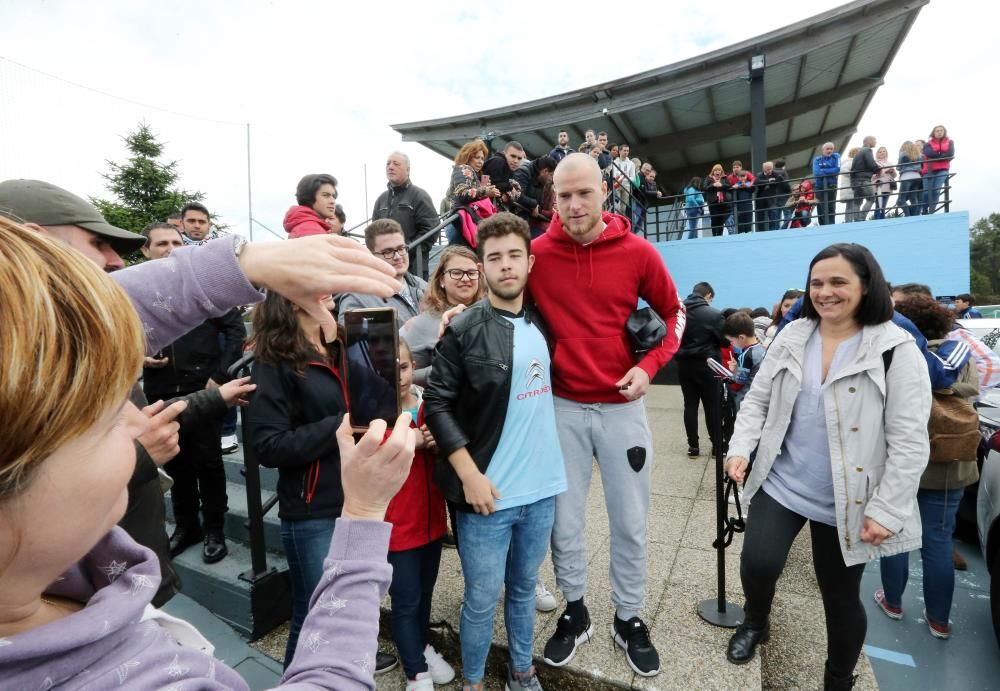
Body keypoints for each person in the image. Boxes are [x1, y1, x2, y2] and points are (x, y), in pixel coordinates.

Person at [0, 214, 418, 690]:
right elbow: (269, 443)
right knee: (308, 605)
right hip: (316, 503)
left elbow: (71, 335)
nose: (140, 419)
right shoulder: (131, 679)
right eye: (107, 414)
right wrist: (363, 512)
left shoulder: (57, 569)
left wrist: (247, 262)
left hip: (336, 493)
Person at [723, 243, 932, 689]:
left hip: (849, 497)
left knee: (839, 597)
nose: (825, 292)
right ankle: (755, 622)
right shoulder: (794, 335)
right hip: (782, 481)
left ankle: (838, 677)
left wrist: (887, 509)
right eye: (817, 283)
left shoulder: (896, 351)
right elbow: (758, 399)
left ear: (866, 285)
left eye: (838, 282)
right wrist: (741, 448)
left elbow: (910, 441)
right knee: (758, 564)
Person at [534, 154, 685, 677]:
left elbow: (673, 313)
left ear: (604, 193)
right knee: (564, 522)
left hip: (624, 407)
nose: (574, 206)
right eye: (564, 195)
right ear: (553, 196)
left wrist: (649, 367)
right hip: (561, 406)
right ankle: (575, 610)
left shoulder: (639, 251)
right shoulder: (536, 254)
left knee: (631, 520)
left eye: (584, 194)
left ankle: (628, 616)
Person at [424, 212, 568, 691]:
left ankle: (522, 671)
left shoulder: (544, 318)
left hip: (542, 489)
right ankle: (474, 681)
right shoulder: (464, 329)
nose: (506, 266)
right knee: (481, 599)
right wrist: (468, 476)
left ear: (529, 262)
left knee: (525, 590)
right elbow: (436, 404)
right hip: (487, 493)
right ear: (483, 268)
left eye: (514, 256)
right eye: (494, 258)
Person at [874, 294, 979, 640]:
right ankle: (939, 621)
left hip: (901, 461)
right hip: (948, 462)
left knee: (895, 535)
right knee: (938, 539)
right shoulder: (958, 353)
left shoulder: (894, 350)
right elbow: (974, 391)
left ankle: (892, 602)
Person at [142, 232, 246, 564]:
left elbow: (235, 329)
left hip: (201, 389)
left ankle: (214, 529)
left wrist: (221, 374)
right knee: (176, 464)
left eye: (176, 243)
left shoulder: (199, 288)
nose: (171, 249)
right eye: (162, 244)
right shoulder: (137, 291)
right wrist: (139, 357)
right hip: (159, 393)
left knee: (209, 463)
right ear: (146, 251)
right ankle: (187, 527)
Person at [384, 338, 454, 689]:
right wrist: (418, 441)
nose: (398, 376)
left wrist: (439, 442)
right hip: (399, 526)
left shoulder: (428, 403)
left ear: (414, 368)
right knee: (406, 599)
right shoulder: (374, 411)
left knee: (425, 593)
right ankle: (415, 670)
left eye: (404, 367)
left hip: (432, 522)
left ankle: (422, 645)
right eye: (390, 368)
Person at [402, 245, 485, 386]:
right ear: (441, 280)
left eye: (471, 272)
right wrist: (447, 369)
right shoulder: (424, 322)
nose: (465, 279)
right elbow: (404, 375)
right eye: (456, 273)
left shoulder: (489, 311)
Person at [337, 218, 428, 330]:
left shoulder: (423, 285)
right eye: (388, 252)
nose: (398, 256)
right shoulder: (356, 298)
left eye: (401, 248)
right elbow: (353, 344)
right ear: (371, 255)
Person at [675, 282, 727, 457]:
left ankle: (693, 447)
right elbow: (724, 341)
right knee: (712, 406)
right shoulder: (714, 315)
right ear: (708, 296)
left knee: (690, 405)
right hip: (708, 365)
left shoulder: (678, 313)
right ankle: (716, 447)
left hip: (684, 365)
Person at [372, 151, 441, 279]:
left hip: (414, 269)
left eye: (396, 164)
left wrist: (404, 250)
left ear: (408, 170)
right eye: (388, 164)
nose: (390, 167)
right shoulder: (381, 199)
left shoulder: (419, 196)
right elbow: (373, 232)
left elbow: (431, 230)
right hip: (385, 269)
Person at [445, 139, 501, 247]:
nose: (481, 161)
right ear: (468, 156)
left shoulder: (469, 172)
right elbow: (462, 193)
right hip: (460, 222)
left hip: (464, 221)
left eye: (482, 158)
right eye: (477, 157)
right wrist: (485, 191)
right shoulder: (463, 169)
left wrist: (483, 188)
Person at [722, 312, 766, 413]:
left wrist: (728, 378)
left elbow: (737, 384)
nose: (732, 344)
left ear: (741, 337)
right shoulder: (762, 349)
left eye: (731, 341)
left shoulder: (746, 356)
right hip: (759, 399)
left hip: (745, 402)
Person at [513, 155, 557, 237]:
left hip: (525, 221)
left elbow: (540, 205)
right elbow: (517, 196)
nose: (552, 179)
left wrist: (537, 206)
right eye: (551, 175)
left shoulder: (541, 180)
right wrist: (533, 204)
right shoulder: (523, 171)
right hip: (512, 217)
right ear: (545, 171)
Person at [283, 173, 338, 238]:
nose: (332, 201)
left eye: (334, 196)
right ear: (309, 197)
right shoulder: (311, 230)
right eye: (325, 195)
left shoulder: (307, 227)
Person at [481, 141, 525, 213]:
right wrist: (510, 187)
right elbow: (492, 185)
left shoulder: (508, 167)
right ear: (504, 153)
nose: (516, 161)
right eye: (513, 156)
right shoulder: (499, 161)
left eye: (519, 158)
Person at [922, 125, 954, 214]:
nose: (939, 132)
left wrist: (937, 155)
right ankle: (924, 209)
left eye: (941, 130)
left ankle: (931, 212)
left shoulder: (950, 142)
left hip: (943, 169)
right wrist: (943, 155)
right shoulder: (927, 144)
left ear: (944, 132)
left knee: (936, 191)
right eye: (937, 131)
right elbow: (929, 153)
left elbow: (951, 153)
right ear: (933, 133)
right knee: (926, 192)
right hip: (928, 170)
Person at [849, 136, 879, 222]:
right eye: (874, 140)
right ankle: (862, 218)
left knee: (857, 202)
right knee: (871, 198)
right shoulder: (867, 150)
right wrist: (878, 169)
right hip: (864, 179)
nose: (876, 142)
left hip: (855, 181)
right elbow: (871, 164)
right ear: (869, 141)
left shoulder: (859, 152)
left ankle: (856, 220)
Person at [812, 142, 841, 226]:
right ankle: (823, 226)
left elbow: (837, 169)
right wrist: (831, 171)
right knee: (821, 207)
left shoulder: (836, 156)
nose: (829, 151)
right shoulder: (817, 159)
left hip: (832, 186)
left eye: (831, 149)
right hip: (820, 187)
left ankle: (832, 225)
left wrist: (823, 170)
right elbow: (816, 173)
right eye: (827, 149)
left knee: (831, 207)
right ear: (823, 150)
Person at [753, 161, 787, 231]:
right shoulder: (759, 175)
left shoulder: (775, 174)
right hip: (760, 200)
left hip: (771, 200)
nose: (770, 171)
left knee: (773, 217)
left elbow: (781, 180)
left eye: (770, 169)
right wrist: (768, 181)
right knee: (760, 218)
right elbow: (756, 182)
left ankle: (772, 232)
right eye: (768, 169)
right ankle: (761, 233)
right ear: (763, 169)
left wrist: (774, 181)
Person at [702, 164, 732, 237]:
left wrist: (721, 185)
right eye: (715, 170)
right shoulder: (709, 178)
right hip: (713, 203)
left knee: (721, 220)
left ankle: (719, 235)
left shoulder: (725, 178)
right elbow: (705, 187)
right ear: (713, 172)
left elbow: (729, 186)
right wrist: (713, 185)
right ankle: (714, 235)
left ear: (721, 171)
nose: (717, 172)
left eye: (719, 170)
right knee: (714, 219)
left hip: (723, 202)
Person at [896, 141, 924, 217]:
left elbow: (898, 167)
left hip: (907, 176)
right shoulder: (919, 154)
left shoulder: (903, 153)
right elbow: (921, 166)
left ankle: (908, 215)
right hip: (917, 177)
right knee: (914, 198)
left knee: (901, 200)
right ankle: (914, 216)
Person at [727, 162, 755, 234]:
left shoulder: (749, 184)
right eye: (740, 176)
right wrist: (736, 187)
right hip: (738, 206)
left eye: (744, 176)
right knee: (740, 223)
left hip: (748, 205)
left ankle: (749, 234)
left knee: (748, 222)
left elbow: (753, 188)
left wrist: (746, 185)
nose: (742, 178)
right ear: (738, 178)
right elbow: (730, 189)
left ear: (746, 176)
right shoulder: (735, 184)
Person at [872, 147, 897, 220]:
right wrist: (884, 172)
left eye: (884, 151)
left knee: (883, 205)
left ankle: (882, 220)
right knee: (879, 205)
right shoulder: (874, 163)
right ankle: (877, 221)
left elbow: (895, 176)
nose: (882, 153)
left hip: (888, 186)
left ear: (886, 153)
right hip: (878, 186)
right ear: (877, 154)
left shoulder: (889, 163)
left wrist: (892, 172)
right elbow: (872, 175)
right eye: (880, 152)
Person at [839, 148, 858, 223]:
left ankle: (850, 221)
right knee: (851, 205)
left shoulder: (850, 161)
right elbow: (843, 170)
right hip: (850, 187)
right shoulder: (850, 161)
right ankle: (849, 221)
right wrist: (854, 174)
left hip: (851, 187)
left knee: (851, 205)